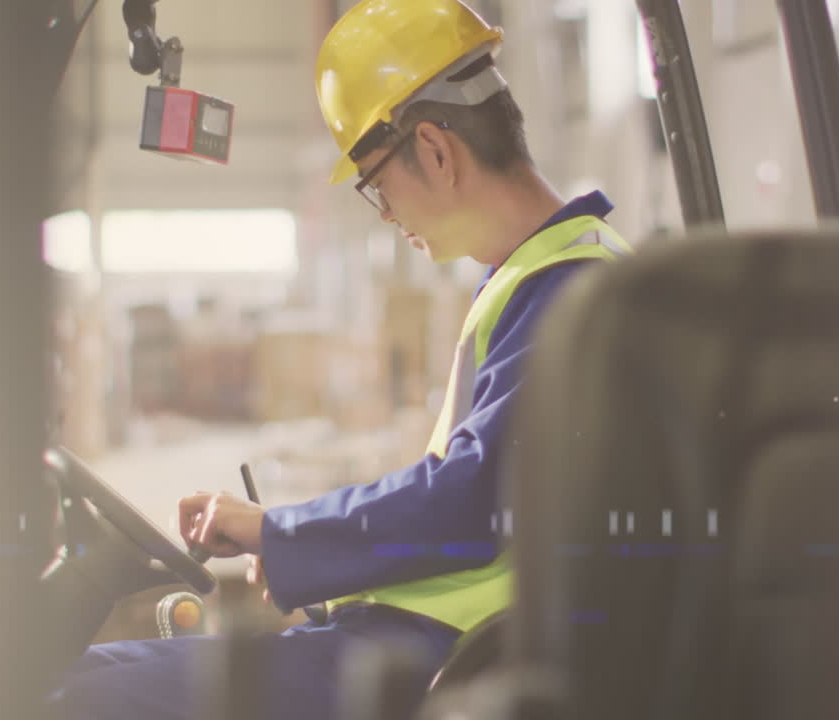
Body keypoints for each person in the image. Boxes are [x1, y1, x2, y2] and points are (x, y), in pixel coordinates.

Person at [54, 1, 629, 717]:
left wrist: (281, 533)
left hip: (447, 661)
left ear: (437, 151)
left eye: (377, 188)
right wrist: (306, 546)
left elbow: (473, 501)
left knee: (71, 691)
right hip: (434, 640)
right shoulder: (546, 276)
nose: (388, 218)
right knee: (95, 676)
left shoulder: (568, 288)